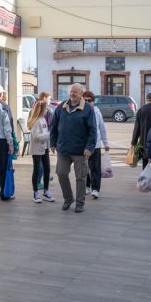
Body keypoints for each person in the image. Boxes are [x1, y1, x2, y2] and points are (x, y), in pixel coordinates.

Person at [50, 83, 96, 213]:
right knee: (61, 173)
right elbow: (53, 126)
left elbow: (92, 130)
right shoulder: (61, 107)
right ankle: (68, 198)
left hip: (80, 150)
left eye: (75, 92)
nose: (72, 94)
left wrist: (89, 147)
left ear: (81, 94)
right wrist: (52, 143)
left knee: (80, 177)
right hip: (63, 148)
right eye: (71, 91)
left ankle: (80, 203)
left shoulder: (88, 109)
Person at [83, 91, 109, 199]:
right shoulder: (80, 111)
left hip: (95, 144)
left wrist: (106, 143)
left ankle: (95, 189)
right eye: (85, 100)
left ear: (93, 102)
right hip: (83, 145)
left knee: (95, 168)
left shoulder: (97, 112)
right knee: (84, 167)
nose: (87, 102)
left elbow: (102, 128)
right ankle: (86, 186)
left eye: (89, 100)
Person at [27, 99, 54, 203]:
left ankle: (46, 191)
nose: (47, 110)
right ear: (42, 109)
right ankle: (35, 192)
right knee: (37, 170)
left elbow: (44, 133)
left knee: (47, 169)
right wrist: (49, 134)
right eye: (46, 108)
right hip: (37, 149)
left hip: (44, 148)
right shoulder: (36, 121)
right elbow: (36, 136)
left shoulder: (43, 119)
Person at [132, 92, 151, 181]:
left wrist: (134, 141)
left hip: (144, 139)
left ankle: (145, 177)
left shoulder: (141, 110)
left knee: (145, 159)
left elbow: (136, 127)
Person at [34, 92, 54, 189]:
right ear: (44, 98)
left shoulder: (37, 107)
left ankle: (44, 177)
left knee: (43, 163)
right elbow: (50, 125)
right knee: (41, 163)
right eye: (49, 98)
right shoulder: (46, 110)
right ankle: (38, 181)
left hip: (44, 139)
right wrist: (50, 135)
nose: (50, 100)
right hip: (43, 139)